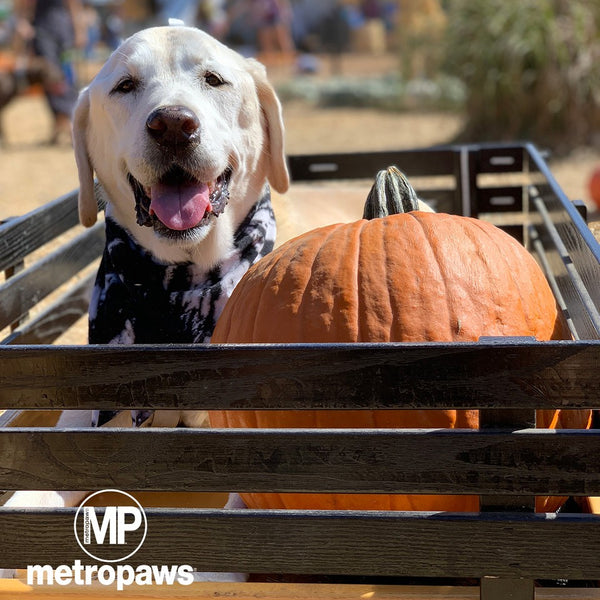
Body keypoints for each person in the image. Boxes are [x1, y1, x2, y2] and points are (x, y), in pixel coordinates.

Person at [14, 0, 86, 144]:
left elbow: (74, 5)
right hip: (43, 31)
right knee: (49, 77)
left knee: (67, 77)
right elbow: (25, 4)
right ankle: (61, 124)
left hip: (63, 30)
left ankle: (66, 124)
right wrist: (23, 22)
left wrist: (80, 31)